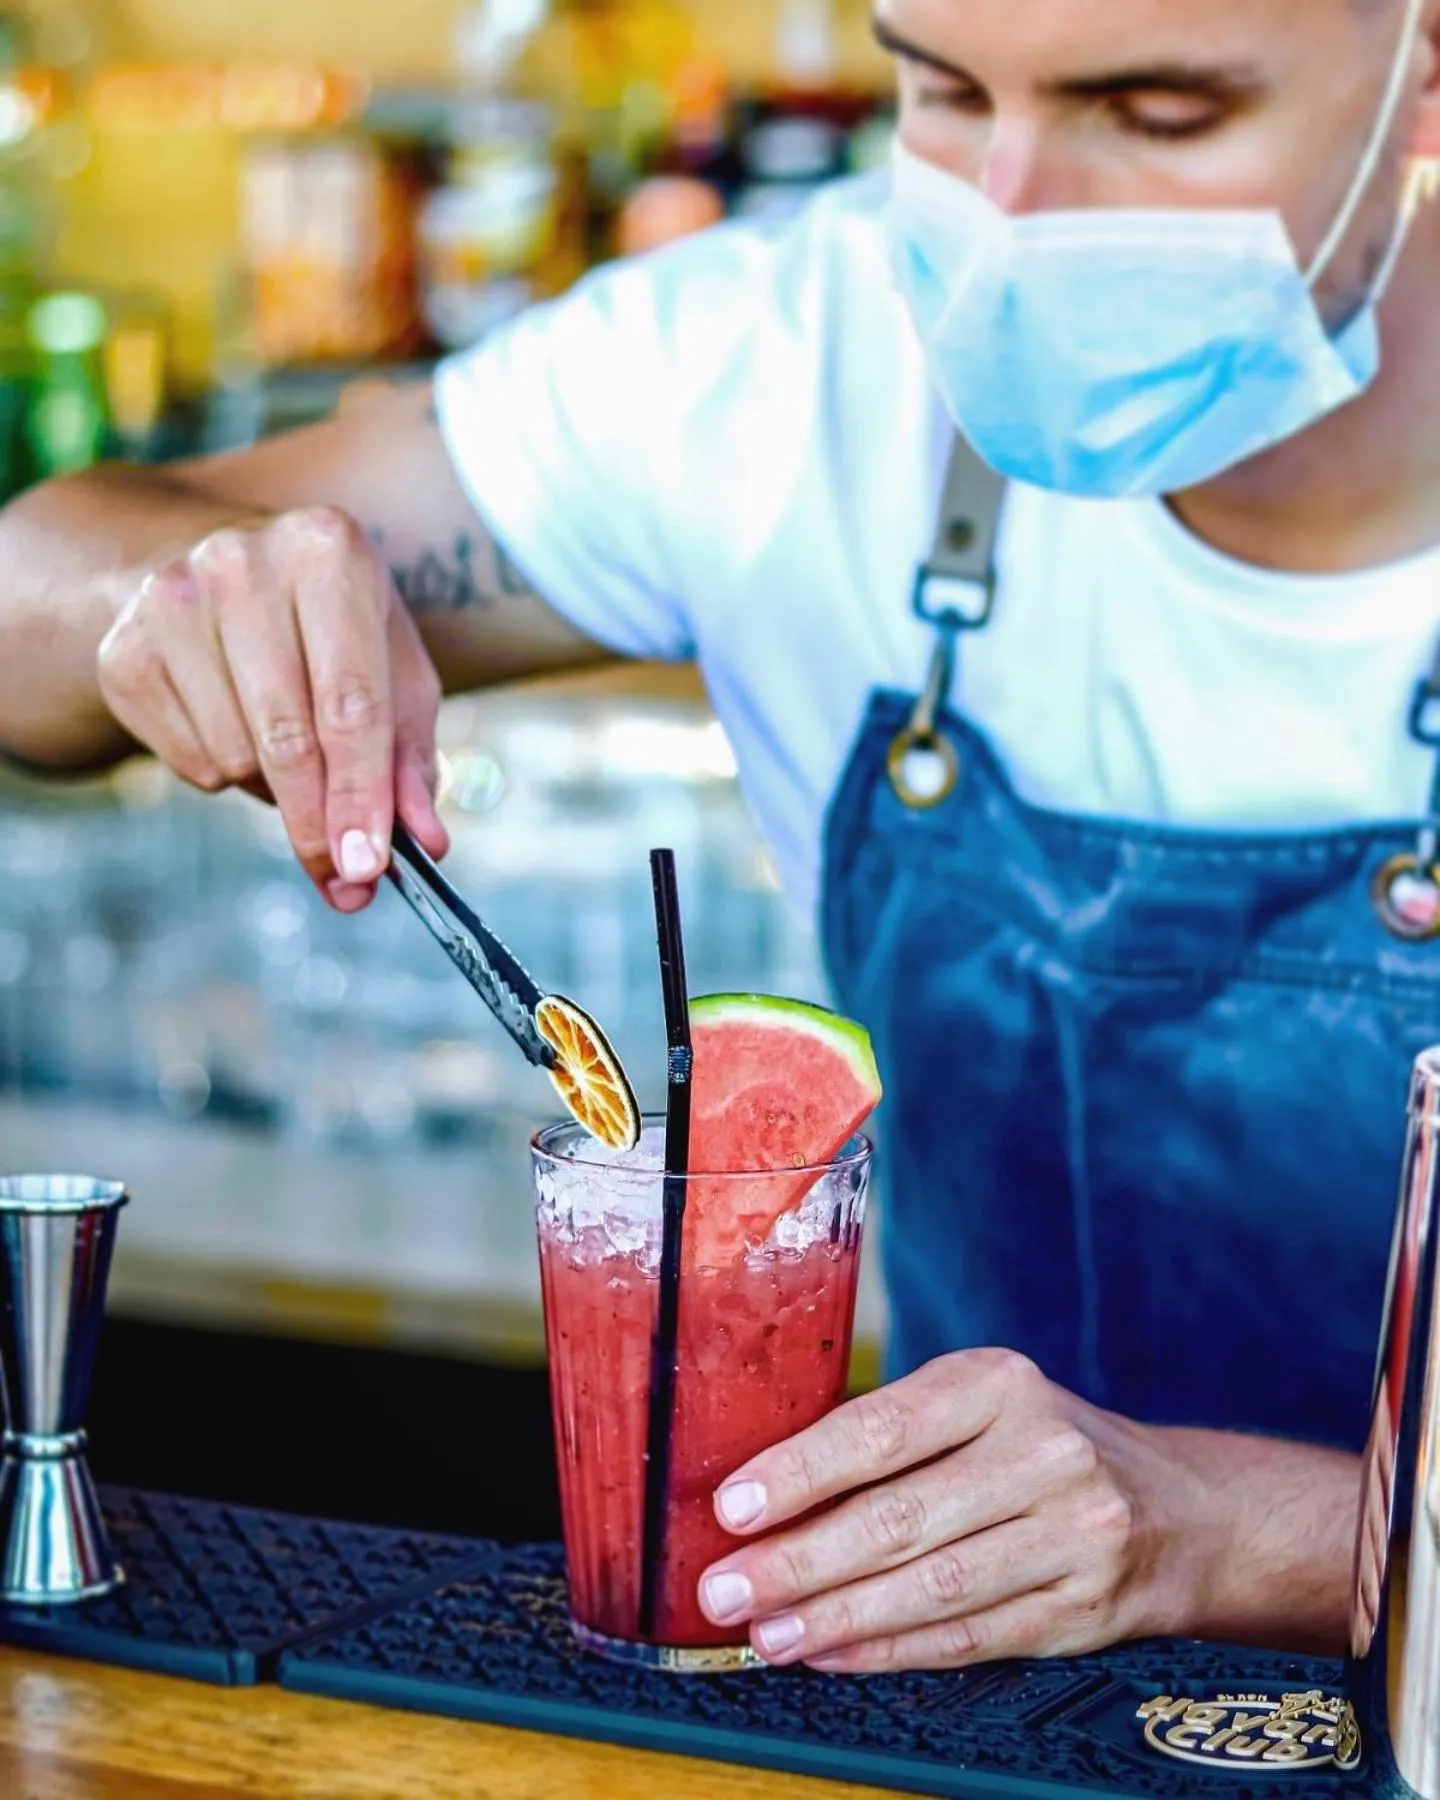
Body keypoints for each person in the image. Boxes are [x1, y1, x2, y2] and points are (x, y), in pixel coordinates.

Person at [1, 0, 1437, 1674]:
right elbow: (31, 606)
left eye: (1163, 110)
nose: (1018, 216)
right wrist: (167, 596)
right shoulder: (781, 356)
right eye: (946, 88)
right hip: (968, 1716)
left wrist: (1241, 1532)